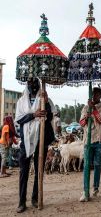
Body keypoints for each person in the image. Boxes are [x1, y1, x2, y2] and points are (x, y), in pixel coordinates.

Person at [15, 78, 55, 213]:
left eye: (35, 83)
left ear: (39, 85)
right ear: (27, 86)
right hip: (25, 141)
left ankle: (35, 198)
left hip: (41, 139)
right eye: (30, 83)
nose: (33, 85)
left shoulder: (44, 99)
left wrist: (46, 102)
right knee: (23, 172)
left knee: (39, 170)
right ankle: (21, 202)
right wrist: (34, 115)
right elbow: (19, 119)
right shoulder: (21, 102)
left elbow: (49, 118)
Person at [79, 87, 101, 202]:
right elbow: (82, 123)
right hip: (88, 141)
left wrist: (94, 109)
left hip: (99, 140)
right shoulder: (85, 108)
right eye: (93, 94)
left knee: (97, 165)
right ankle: (85, 190)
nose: (94, 96)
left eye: (97, 94)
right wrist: (87, 115)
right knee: (86, 165)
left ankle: (95, 189)